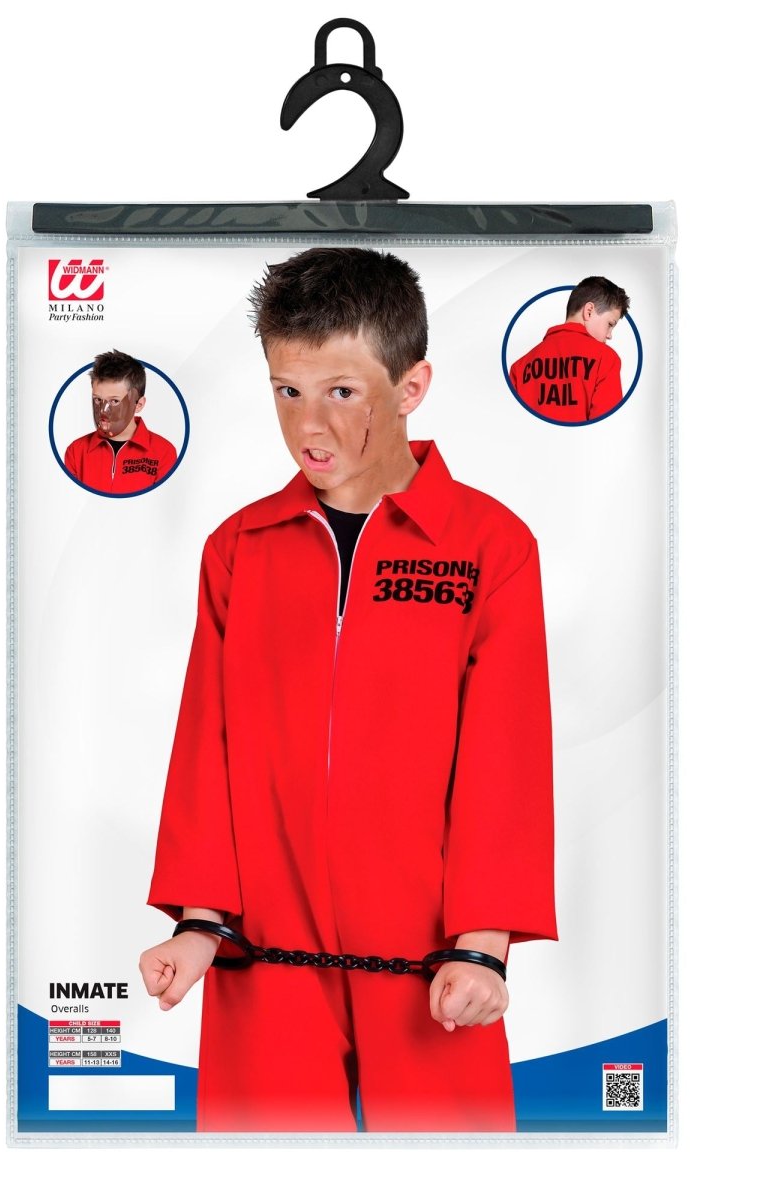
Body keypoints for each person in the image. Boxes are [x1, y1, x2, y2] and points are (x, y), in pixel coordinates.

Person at [139, 248, 555, 1133]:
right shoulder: (239, 550)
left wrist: (484, 949)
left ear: (411, 388)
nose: (308, 424)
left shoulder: (490, 548)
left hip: (433, 964)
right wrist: (199, 925)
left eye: (340, 391)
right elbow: (207, 744)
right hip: (263, 957)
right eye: (287, 391)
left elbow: (506, 757)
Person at [508, 276, 630, 423]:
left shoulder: (519, 367)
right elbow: (606, 426)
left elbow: (511, 425)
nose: (609, 335)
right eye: (610, 324)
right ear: (589, 311)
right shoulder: (606, 359)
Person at [63, 349, 178, 493]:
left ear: (138, 405)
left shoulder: (164, 452)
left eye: (114, 401)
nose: (103, 411)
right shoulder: (76, 452)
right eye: (97, 399)